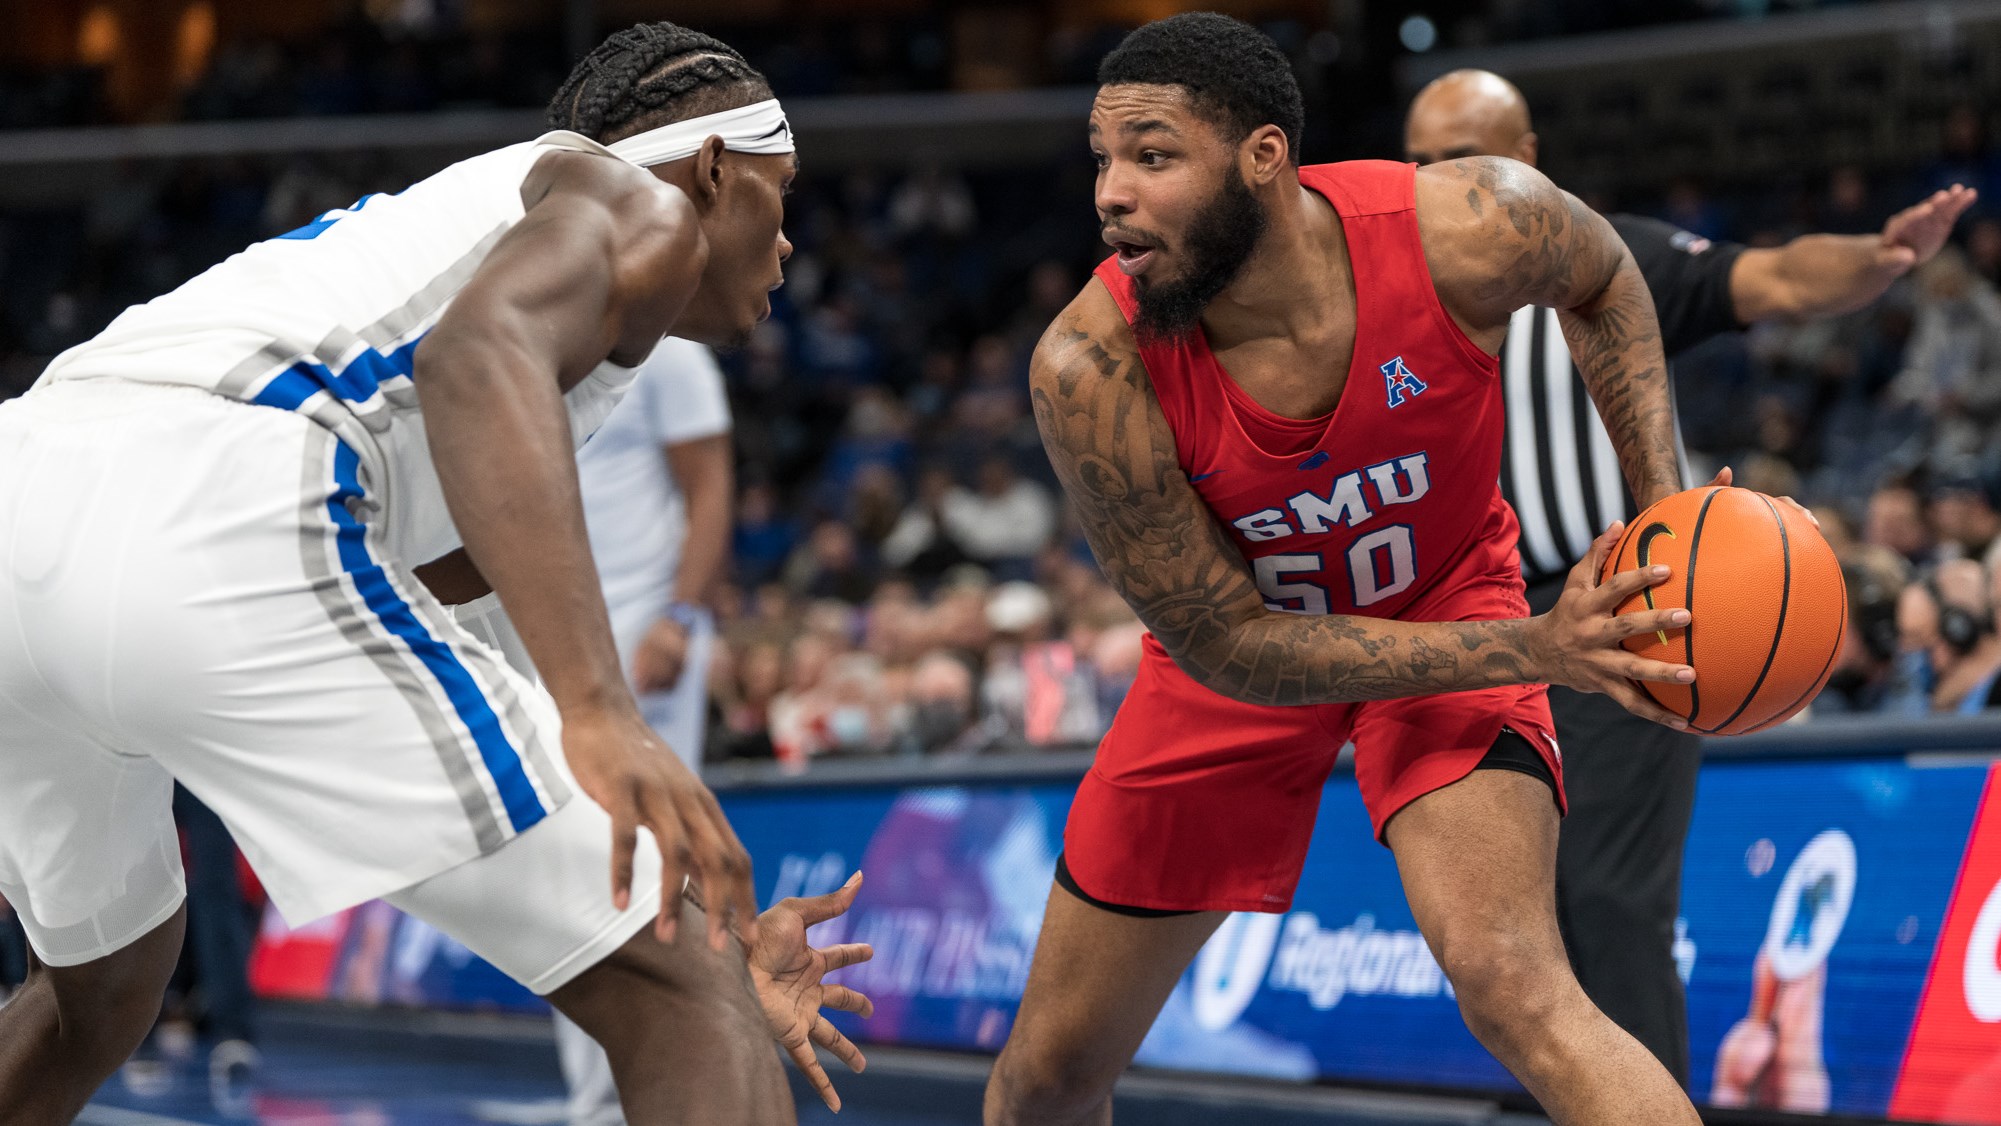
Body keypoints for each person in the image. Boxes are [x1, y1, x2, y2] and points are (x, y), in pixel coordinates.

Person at [0, 23, 875, 1125]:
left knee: (96, 989)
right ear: (711, 169)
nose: (789, 240)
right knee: (692, 999)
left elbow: (466, 604)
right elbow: (478, 357)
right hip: (219, 496)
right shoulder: (635, 207)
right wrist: (602, 709)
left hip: (27, 483)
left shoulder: (475, 263)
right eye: (779, 189)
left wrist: (727, 923)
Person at [986, 15, 1712, 1126]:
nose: (1110, 195)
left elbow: (1606, 277)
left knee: (1518, 984)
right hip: (1236, 661)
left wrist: (1666, 510)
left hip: (1448, 589)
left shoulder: (1465, 226)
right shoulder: (1090, 366)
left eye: (1153, 155)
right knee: (1047, 1073)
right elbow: (1225, 641)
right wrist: (1532, 643)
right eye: (1103, 159)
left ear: (1263, 157)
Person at [1401, 67, 1975, 1084]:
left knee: (1612, 903)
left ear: (1525, 161)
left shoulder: (1603, 258)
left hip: (1626, 615)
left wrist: (1879, 254)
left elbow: (1780, 278)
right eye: (1418, 162)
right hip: (1482, 637)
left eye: (1458, 159)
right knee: (1511, 938)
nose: (1433, 182)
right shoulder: (1390, 303)